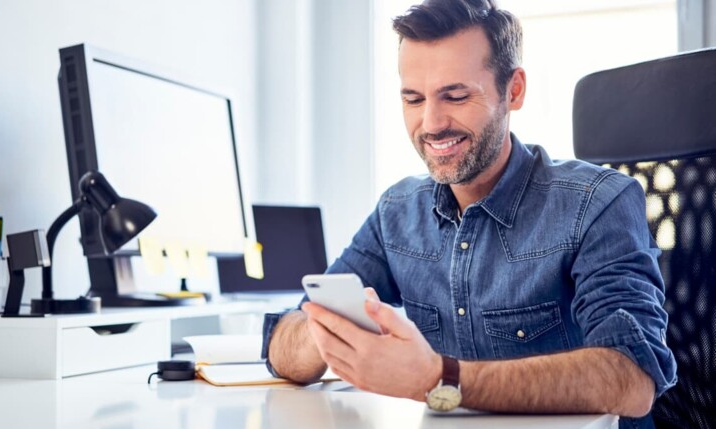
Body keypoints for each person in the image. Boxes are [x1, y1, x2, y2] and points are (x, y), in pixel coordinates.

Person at [260, 1, 676, 427]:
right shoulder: (397, 213)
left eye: (455, 96)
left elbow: (633, 378)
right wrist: (330, 330)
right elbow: (284, 345)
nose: (431, 122)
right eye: (413, 98)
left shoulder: (597, 203)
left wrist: (439, 378)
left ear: (513, 91)